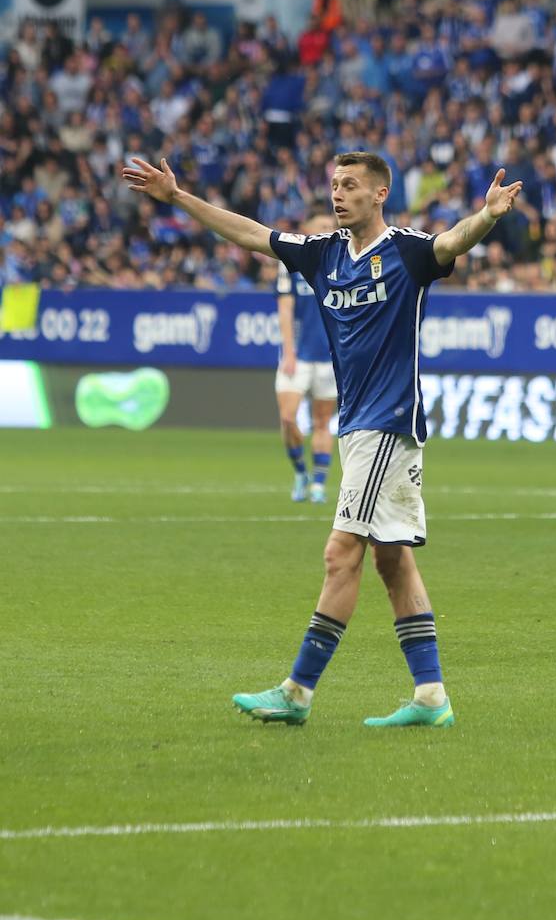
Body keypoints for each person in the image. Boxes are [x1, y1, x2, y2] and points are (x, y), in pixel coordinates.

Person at [122, 150, 524, 724]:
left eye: (351, 185)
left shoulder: (406, 252)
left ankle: (298, 691)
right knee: (392, 561)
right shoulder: (323, 254)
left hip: (389, 421)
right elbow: (252, 234)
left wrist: (486, 216)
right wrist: (179, 198)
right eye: (334, 184)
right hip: (358, 426)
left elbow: (451, 242)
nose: (338, 194)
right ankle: (431, 696)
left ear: (379, 194)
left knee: (341, 554)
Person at [276, 212, 338, 503]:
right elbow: (285, 310)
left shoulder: (342, 261)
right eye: (322, 226)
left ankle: (318, 484)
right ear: (308, 230)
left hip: (329, 358)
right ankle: (301, 472)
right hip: (298, 356)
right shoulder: (292, 263)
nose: (329, 229)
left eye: (331, 226)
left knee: (322, 423)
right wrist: (288, 350)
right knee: (288, 419)